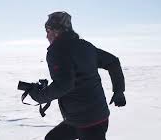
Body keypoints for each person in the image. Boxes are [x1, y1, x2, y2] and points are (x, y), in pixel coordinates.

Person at [29, 11, 126, 140]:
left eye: (48, 31)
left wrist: (39, 96)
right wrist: (119, 91)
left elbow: (64, 85)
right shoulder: (86, 46)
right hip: (92, 117)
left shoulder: (57, 51)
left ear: (56, 31)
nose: (46, 36)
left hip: (86, 122)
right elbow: (113, 62)